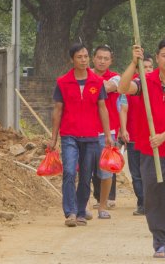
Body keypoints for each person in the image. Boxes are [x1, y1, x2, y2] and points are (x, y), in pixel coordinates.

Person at [119, 40, 165, 261]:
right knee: (153, 197)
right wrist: (134, 63)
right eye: (164, 55)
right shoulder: (144, 81)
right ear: (158, 58)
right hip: (149, 150)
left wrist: (163, 136)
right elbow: (123, 88)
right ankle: (160, 241)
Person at [51, 44, 114, 227]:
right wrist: (54, 137)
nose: (84, 60)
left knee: (87, 175)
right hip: (69, 134)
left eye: (86, 56)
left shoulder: (96, 81)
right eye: (80, 57)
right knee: (70, 171)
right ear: (72, 59)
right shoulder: (63, 82)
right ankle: (70, 212)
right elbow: (58, 110)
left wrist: (108, 134)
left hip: (91, 136)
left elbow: (102, 108)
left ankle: (80, 212)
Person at [119, 54, 153, 216]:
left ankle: (152, 201)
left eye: (149, 67)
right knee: (136, 172)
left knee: (151, 171)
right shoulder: (131, 86)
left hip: (153, 137)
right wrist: (123, 129)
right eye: (143, 67)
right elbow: (123, 109)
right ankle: (142, 202)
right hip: (133, 135)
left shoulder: (157, 84)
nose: (147, 70)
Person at [90, 44, 120, 217]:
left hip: (107, 132)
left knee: (106, 171)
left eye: (106, 58)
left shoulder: (115, 78)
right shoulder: (84, 75)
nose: (102, 61)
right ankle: (84, 205)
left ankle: (103, 206)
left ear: (111, 61)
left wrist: (87, 79)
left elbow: (108, 87)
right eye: (99, 58)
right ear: (94, 58)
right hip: (85, 130)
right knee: (85, 170)